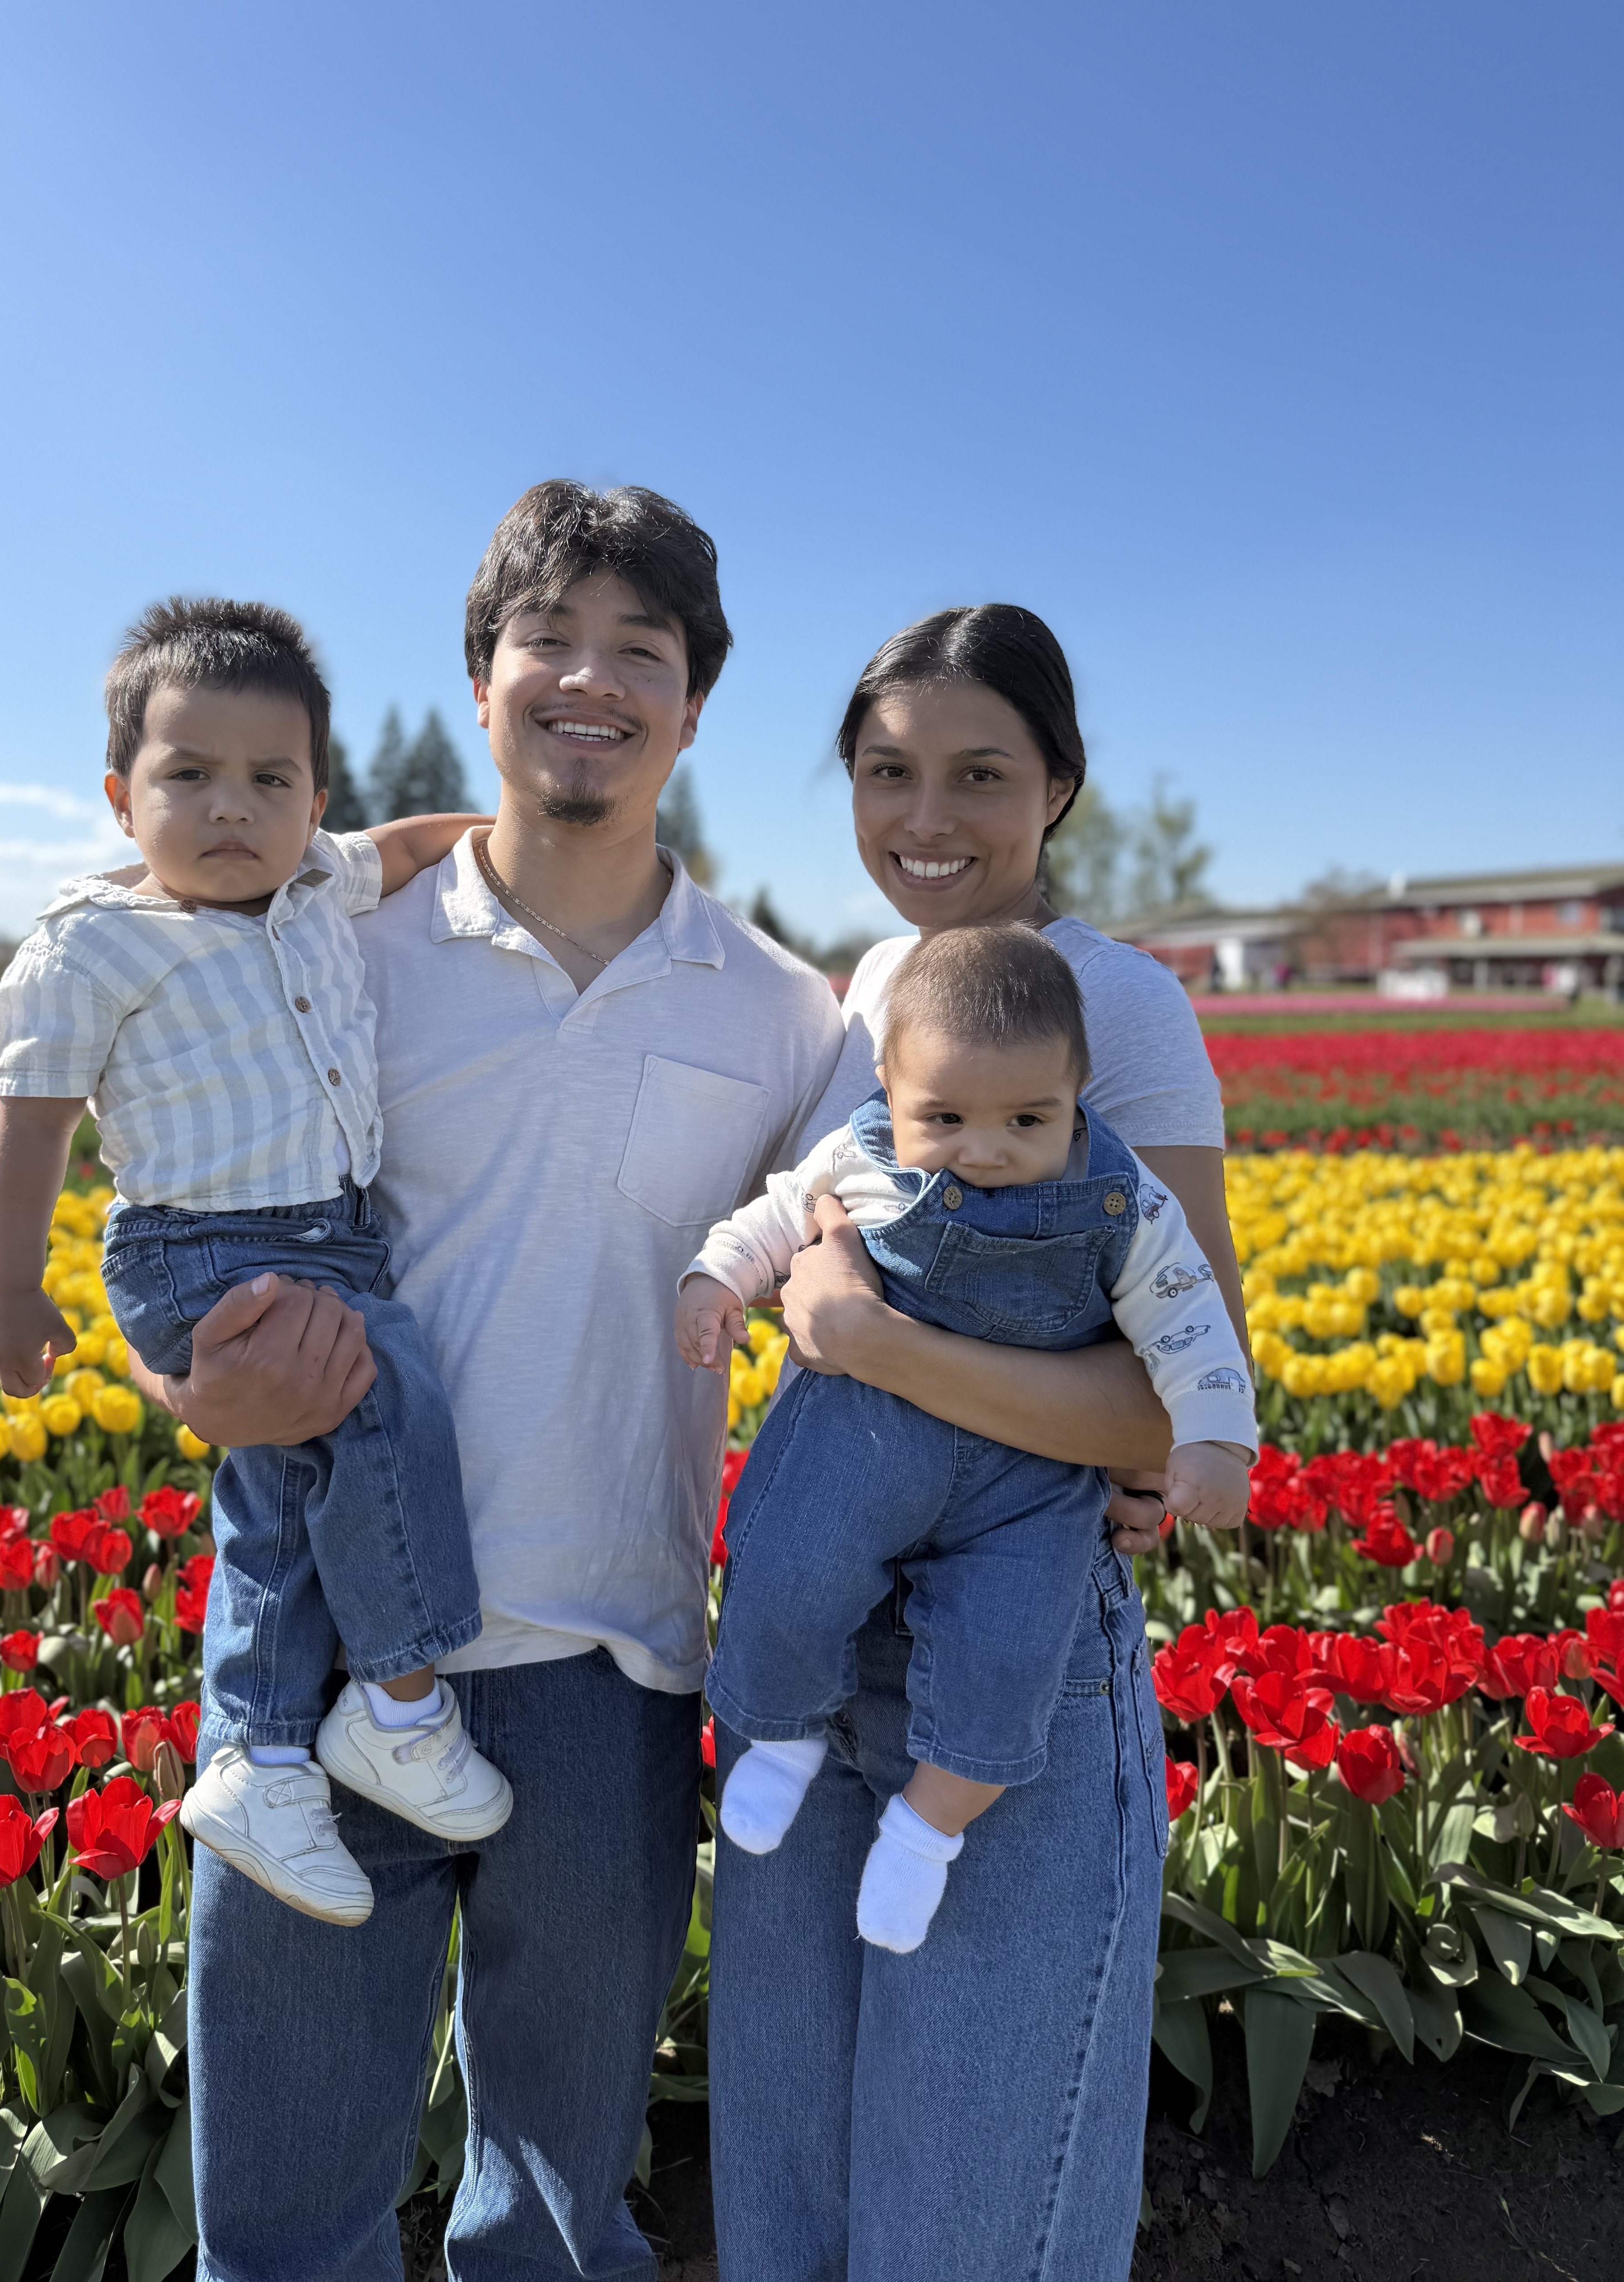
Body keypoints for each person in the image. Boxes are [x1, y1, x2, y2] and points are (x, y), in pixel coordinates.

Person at [134, 485, 850, 2282]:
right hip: (321, 1661)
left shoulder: (783, 1015)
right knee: (288, 2224)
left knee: (553, 2216)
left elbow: (892, 1258)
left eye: (643, 651)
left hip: (607, 1674)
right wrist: (192, 1399)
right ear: (481, 677)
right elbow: (167, 1235)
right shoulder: (329, 955)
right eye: (551, 638)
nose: (589, 679)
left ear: (696, 706)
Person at [708, 603, 1247, 2282]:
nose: (924, 818)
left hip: (1009, 1666)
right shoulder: (871, 984)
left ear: (1060, 789)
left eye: (979, 774)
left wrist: (870, 1340)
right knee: (790, 2203)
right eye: (886, 773)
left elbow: (1169, 1397)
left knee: (964, 2228)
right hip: (815, 1645)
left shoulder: (1117, 1003)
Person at [0, 597, 511, 1930]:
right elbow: (31, 1125)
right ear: (121, 797)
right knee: (384, 1397)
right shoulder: (94, 947)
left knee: (281, 1499)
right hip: (201, 1242)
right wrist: (9, 1289)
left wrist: (497, 838)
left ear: (312, 794)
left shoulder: (318, 881)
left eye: (269, 779)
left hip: (326, 1228)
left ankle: (262, 1759)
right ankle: (399, 1703)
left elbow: (401, 846)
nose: (233, 808)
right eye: (189, 776)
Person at [680, 921, 1252, 1952]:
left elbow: (1189, 1314)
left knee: (1011, 1656)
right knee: (788, 1566)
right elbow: (775, 1215)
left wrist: (1213, 1439)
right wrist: (717, 1279)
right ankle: (781, 1734)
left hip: (1027, 1489)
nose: (983, 1151)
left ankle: (929, 1830)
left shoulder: (1121, 1199)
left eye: (1026, 1119)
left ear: (1079, 1096)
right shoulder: (859, 1156)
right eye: (941, 1117)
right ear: (890, 1095)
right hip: (866, 1441)